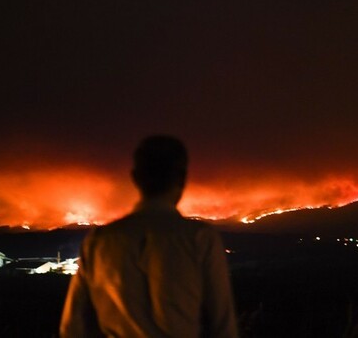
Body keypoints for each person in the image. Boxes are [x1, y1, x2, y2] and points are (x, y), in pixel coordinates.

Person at [60, 135, 238, 338]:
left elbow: (72, 327)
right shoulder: (201, 238)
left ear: (135, 177)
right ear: (182, 178)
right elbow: (223, 327)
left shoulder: (99, 241)